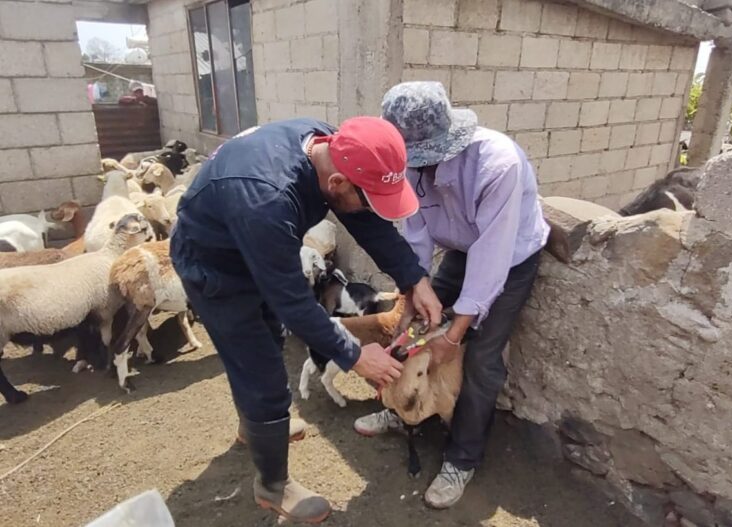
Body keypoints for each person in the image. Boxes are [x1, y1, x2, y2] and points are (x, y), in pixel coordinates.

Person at [170, 117, 443, 524]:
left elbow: (365, 219)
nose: (370, 209)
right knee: (259, 367)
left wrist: (413, 278)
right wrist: (353, 354)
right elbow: (294, 303)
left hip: (255, 245)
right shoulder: (268, 200)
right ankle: (273, 486)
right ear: (336, 184)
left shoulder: (333, 147)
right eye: (368, 198)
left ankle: (256, 429)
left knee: (266, 342)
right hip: (216, 267)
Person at [354, 82, 550, 509]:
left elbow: (492, 258)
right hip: (461, 250)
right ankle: (404, 406)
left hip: (510, 258)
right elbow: (417, 235)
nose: (417, 169)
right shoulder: (405, 164)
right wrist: (410, 296)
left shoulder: (497, 165)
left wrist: (455, 333)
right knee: (413, 332)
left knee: (479, 357)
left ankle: (462, 457)